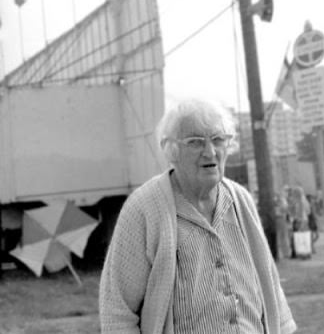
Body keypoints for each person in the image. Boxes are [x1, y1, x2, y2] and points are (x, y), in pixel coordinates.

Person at [99, 98, 296, 333]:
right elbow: (117, 312)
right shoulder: (144, 208)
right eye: (195, 142)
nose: (210, 151)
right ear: (172, 150)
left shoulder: (240, 200)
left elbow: (271, 287)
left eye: (218, 140)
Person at [275, 185, 292, 260]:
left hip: (281, 218)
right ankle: (284, 253)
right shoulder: (281, 200)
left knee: (283, 236)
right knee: (282, 236)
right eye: (286, 191)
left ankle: (285, 253)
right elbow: (284, 209)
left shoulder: (282, 200)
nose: (287, 192)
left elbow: (285, 210)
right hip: (280, 218)